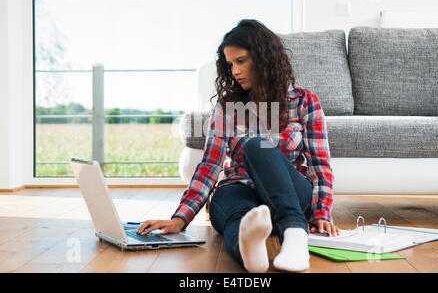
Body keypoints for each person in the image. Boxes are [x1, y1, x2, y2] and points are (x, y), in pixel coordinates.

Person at [137, 19, 340, 273]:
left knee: (257, 146)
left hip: (290, 195)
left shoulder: (304, 101)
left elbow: (320, 166)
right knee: (237, 216)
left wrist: (321, 213)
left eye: (241, 61)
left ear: (264, 57)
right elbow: (210, 164)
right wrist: (180, 218)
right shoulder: (227, 106)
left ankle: (295, 235)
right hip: (238, 190)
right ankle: (250, 255)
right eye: (230, 64)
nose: (234, 71)